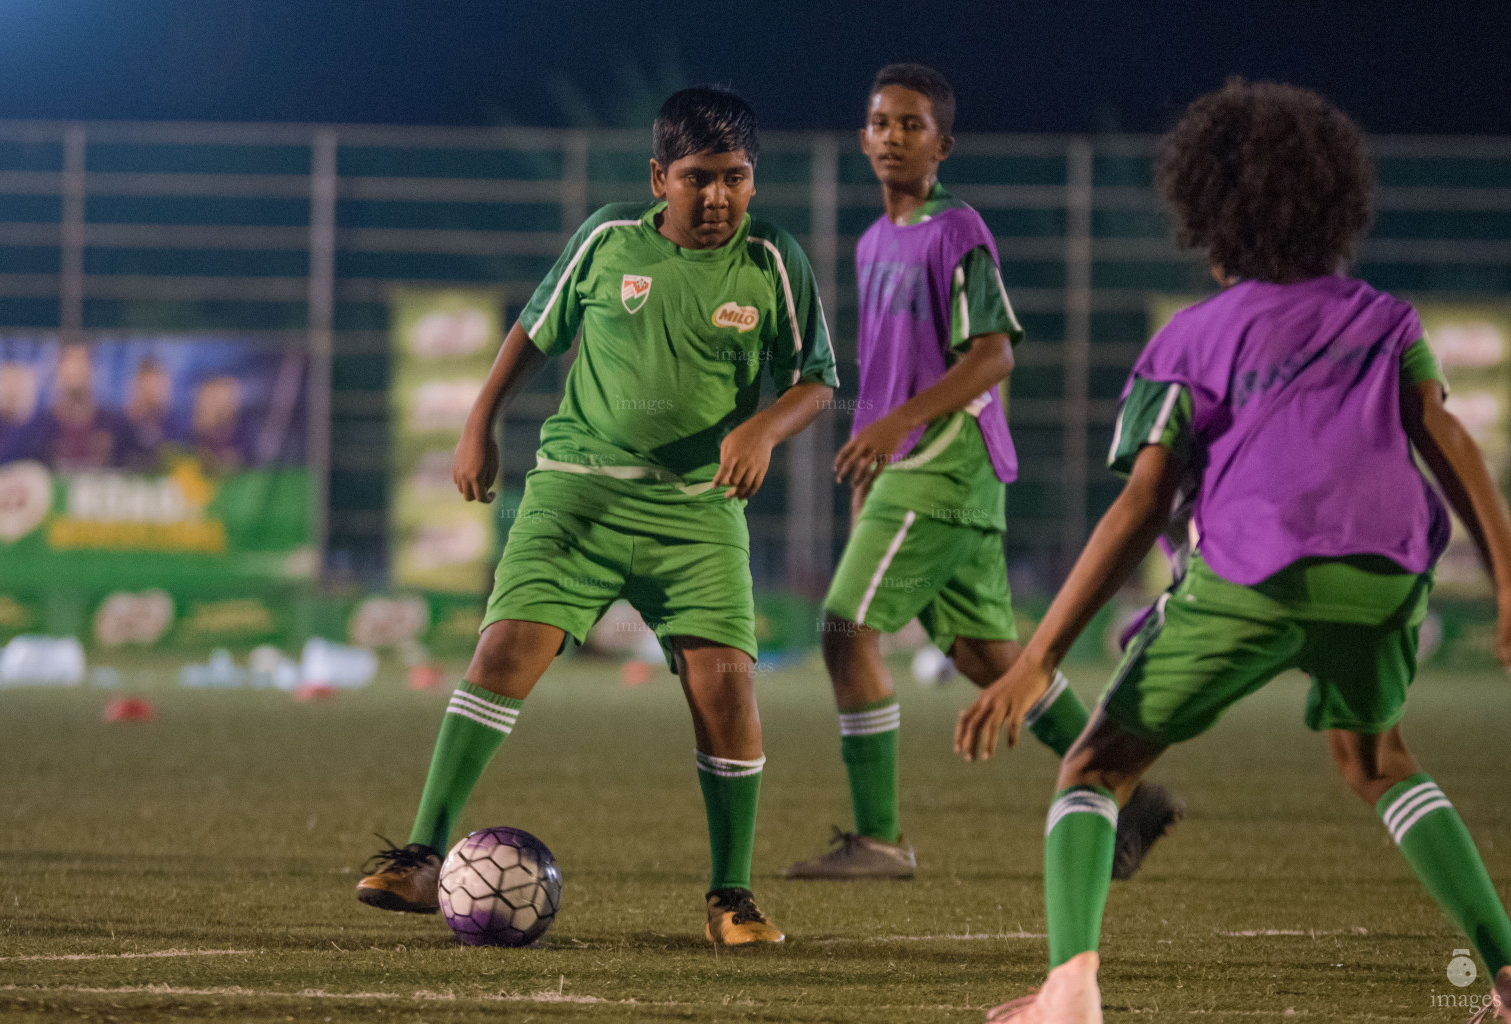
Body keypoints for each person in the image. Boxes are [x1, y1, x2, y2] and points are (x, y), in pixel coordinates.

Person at [957, 79, 1511, 1023]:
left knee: (1094, 769)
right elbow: (1446, 440)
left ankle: (1069, 991)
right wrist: (1509, 580)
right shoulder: (1383, 316)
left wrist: (1039, 657)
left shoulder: (1192, 336)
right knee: (1378, 760)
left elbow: (1143, 502)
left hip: (1254, 574)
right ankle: (1504, 970)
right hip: (1385, 575)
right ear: (1332, 210)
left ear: (1208, 219)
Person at [356, 86, 838, 945]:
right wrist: (479, 425)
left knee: (727, 693)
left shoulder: (774, 260)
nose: (719, 196)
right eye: (699, 178)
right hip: (577, 493)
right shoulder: (610, 240)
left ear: (754, 181)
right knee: (502, 651)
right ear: (660, 177)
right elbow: (534, 332)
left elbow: (817, 378)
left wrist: (763, 428)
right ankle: (422, 856)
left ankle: (732, 896)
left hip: (697, 515)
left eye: (735, 177)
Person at [785, 63, 1181, 882]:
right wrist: (872, 457)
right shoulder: (870, 242)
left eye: (912, 124)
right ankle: (1130, 791)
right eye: (881, 122)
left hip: (944, 462)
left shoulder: (956, 230)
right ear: (863, 138)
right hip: (916, 467)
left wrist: (897, 430)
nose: (894, 136)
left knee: (843, 628)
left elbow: (994, 353)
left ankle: (881, 839)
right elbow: (890, 368)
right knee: (988, 659)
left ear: (943, 144)